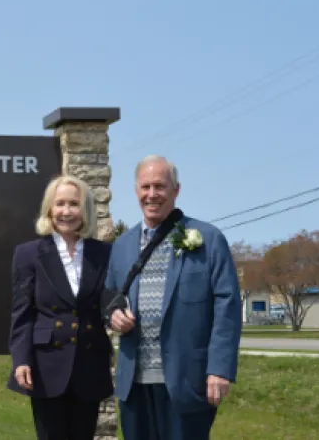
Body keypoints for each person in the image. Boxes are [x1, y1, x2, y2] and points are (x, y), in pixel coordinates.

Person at [102, 155, 242, 440]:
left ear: (176, 190)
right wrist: (113, 316)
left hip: (188, 380)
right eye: (145, 187)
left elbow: (228, 307)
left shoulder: (208, 238)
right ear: (136, 190)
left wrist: (219, 369)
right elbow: (109, 299)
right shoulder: (121, 246)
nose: (152, 194)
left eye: (160, 186)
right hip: (134, 382)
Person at [7, 174, 115, 439]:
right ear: (50, 209)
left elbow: (111, 300)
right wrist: (21, 360)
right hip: (46, 365)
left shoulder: (104, 253)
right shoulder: (29, 253)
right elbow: (22, 312)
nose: (67, 212)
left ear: (86, 210)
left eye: (74, 204)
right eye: (61, 204)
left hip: (89, 363)